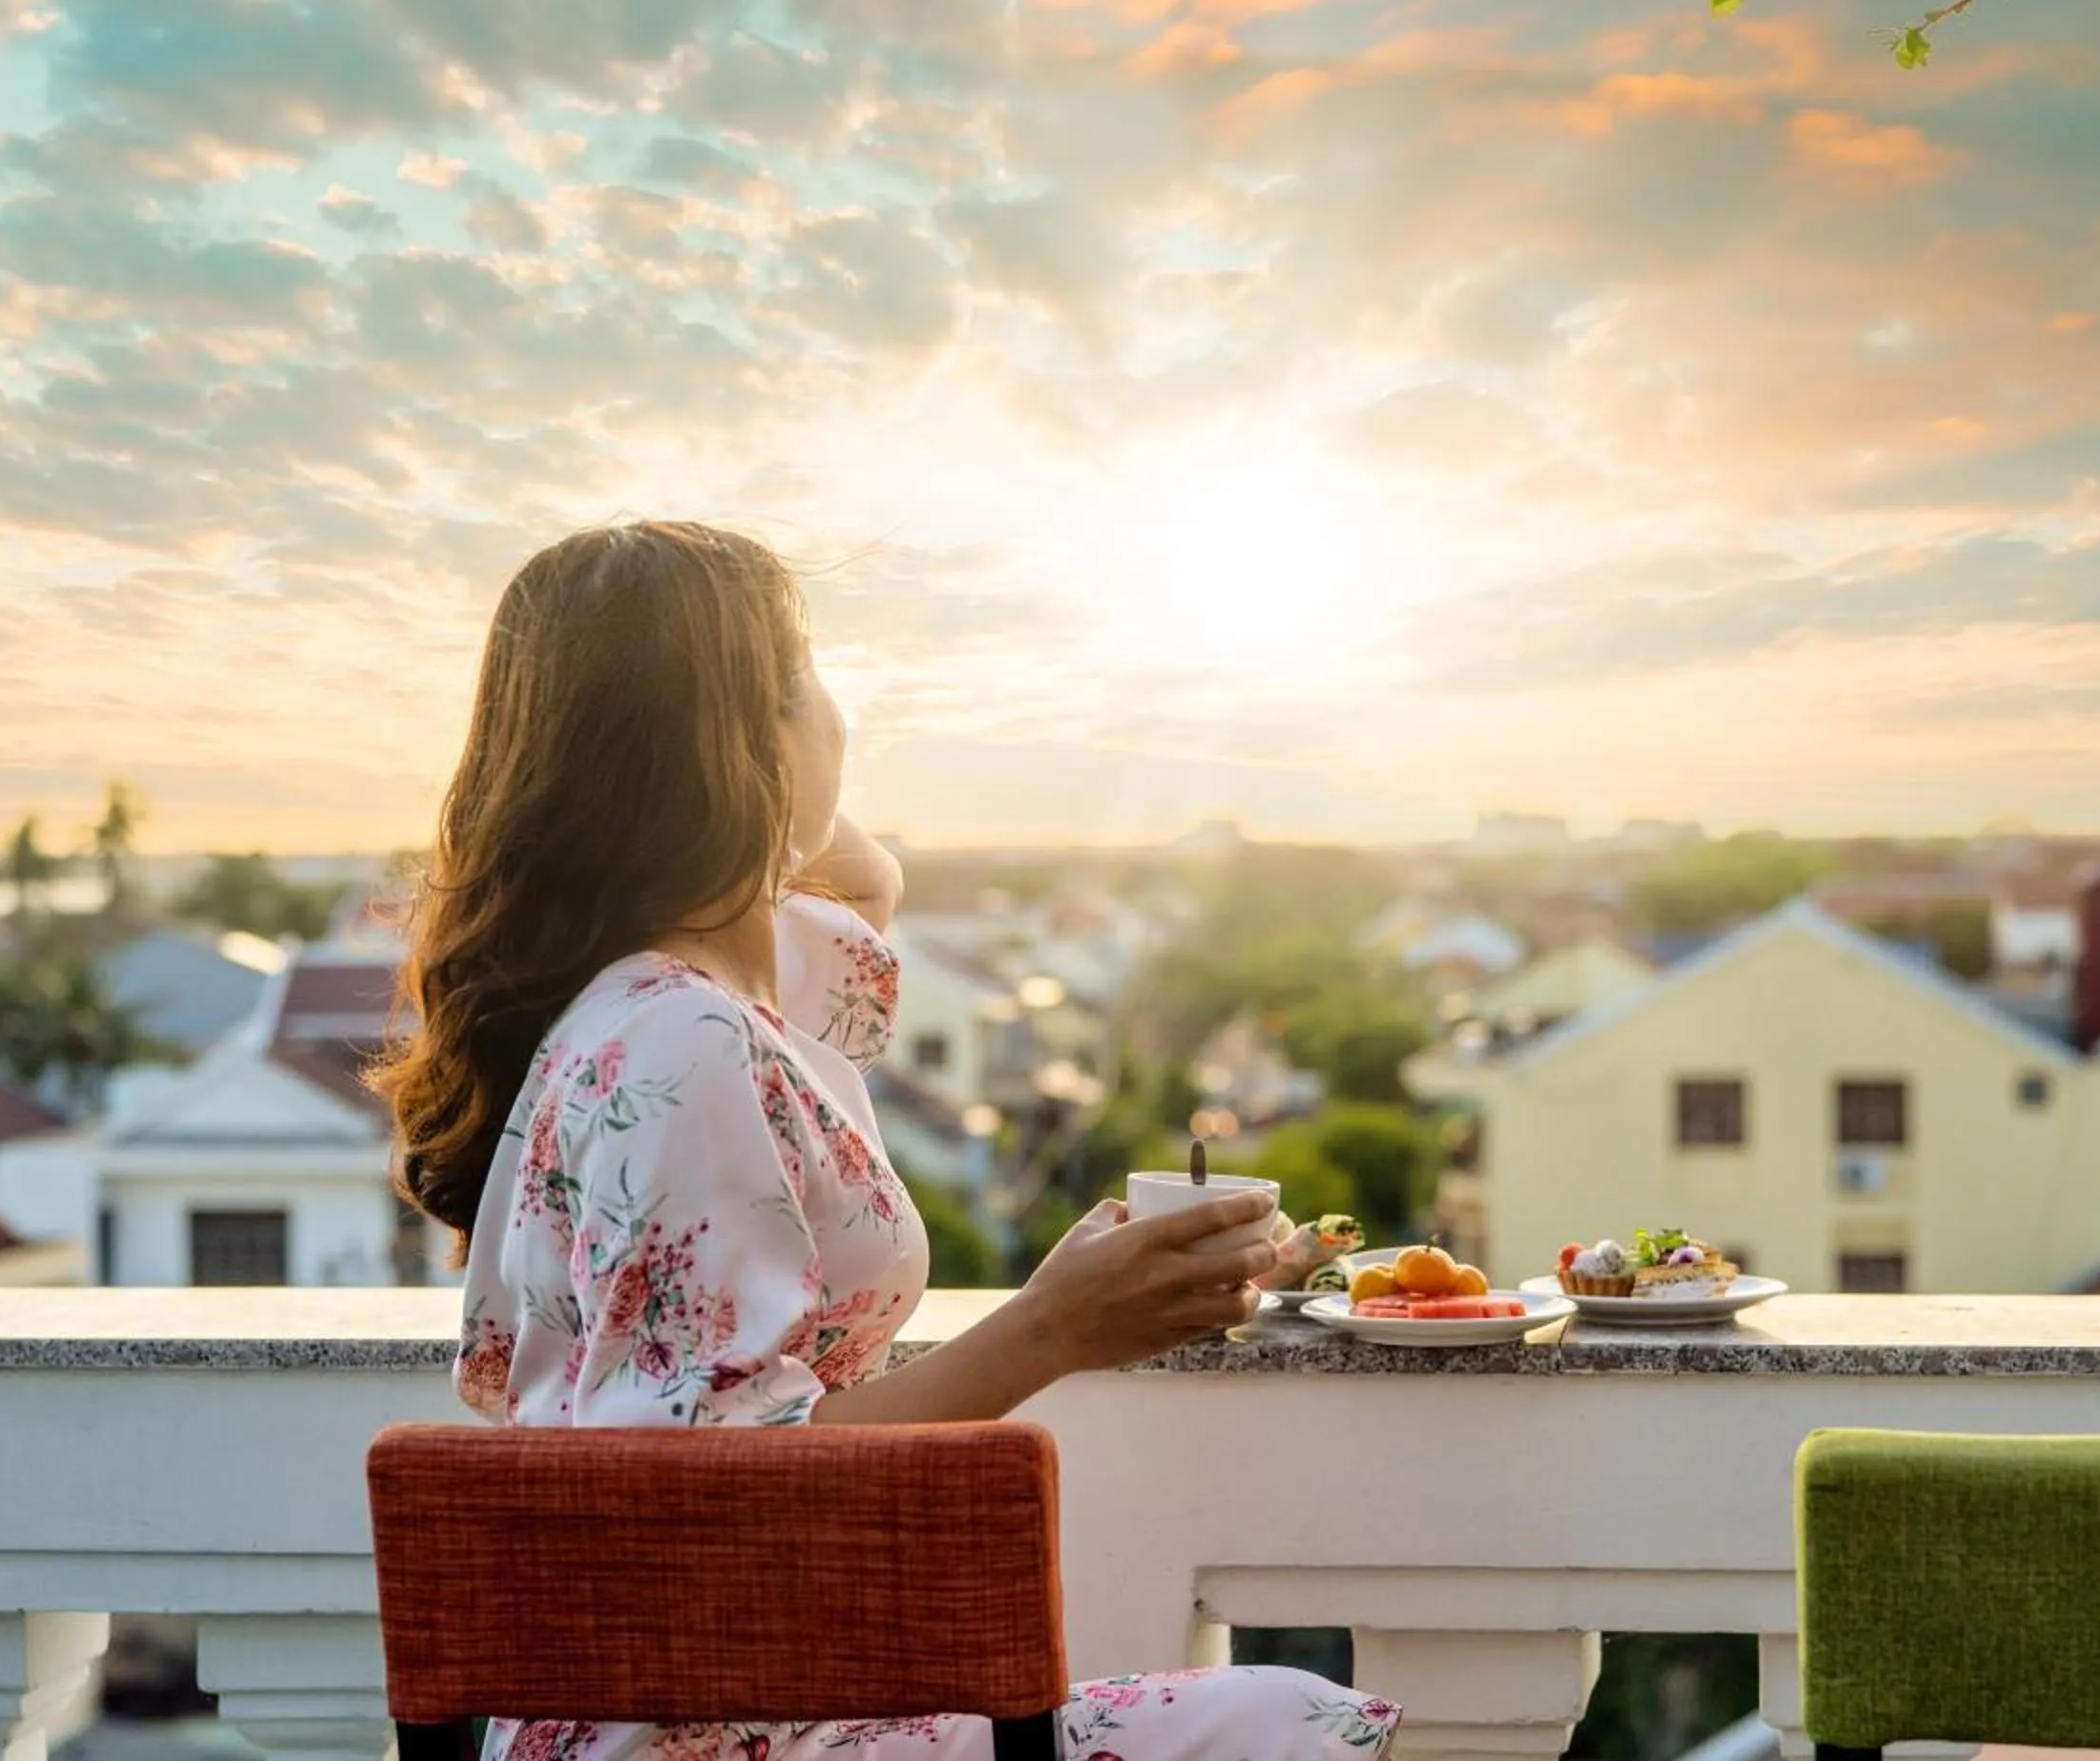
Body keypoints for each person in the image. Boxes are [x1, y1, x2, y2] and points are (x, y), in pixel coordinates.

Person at [374, 521, 1401, 1761]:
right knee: (1291, 1721)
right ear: (737, 737)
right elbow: (707, 1495)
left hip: (703, 1702)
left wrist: (760, 757)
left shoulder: (663, 997)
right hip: (712, 1729)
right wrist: (1054, 1327)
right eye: (806, 675)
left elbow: (865, 888)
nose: (838, 713)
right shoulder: (685, 1045)